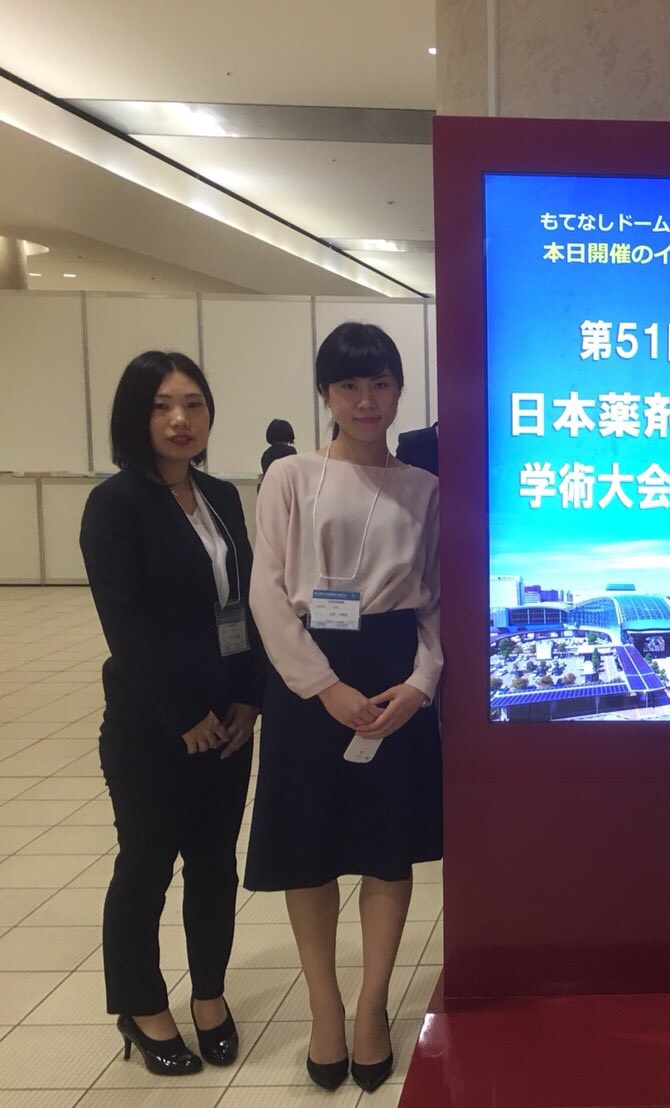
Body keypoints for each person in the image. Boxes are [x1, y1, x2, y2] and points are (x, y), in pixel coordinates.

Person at [246, 321, 442, 1094]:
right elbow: (267, 592)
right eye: (349, 385)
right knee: (311, 846)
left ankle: (372, 1007)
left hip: (393, 671)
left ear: (399, 389)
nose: (367, 400)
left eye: (381, 383)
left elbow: (437, 601)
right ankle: (324, 1007)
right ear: (326, 393)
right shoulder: (291, 476)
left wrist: (421, 684)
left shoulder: (424, 487)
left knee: (387, 849)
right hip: (309, 678)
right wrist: (323, 685)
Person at [79, 351, 263, 1075]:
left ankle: (209, 996)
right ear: (135, 417)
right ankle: (141, 1005)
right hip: (153, 727)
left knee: (215, 864)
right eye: (161, 406)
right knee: (146, 865)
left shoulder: (219, 495)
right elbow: (125, 625)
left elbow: (243, 605)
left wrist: (249, 697)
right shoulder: (116, 505)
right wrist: (185, 713)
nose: (180, 419)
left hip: (228, 721)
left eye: (193, 404)